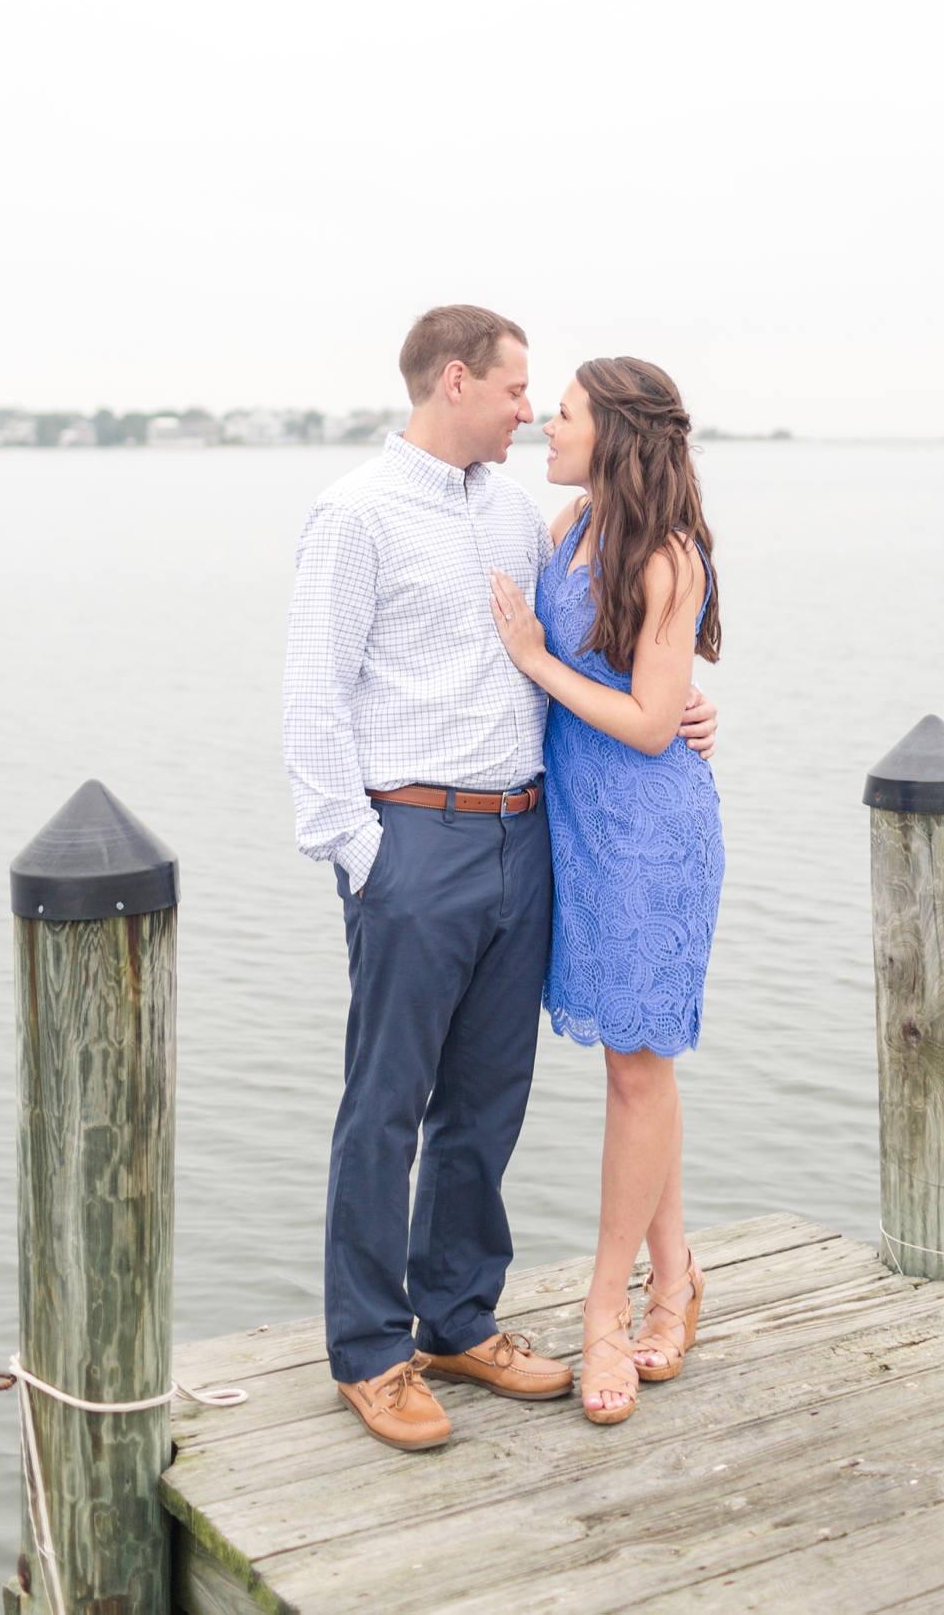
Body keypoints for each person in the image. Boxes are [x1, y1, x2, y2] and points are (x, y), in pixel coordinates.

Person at [283, 306, 717, 1451]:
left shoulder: (524, 514)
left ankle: (459, 1316)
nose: (532, 413)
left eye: (548, 401)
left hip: (531, 838)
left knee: (487, 1100)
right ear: (459, 380)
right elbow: (313, 697)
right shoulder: (354, 516)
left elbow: (595, 653)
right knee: (386, 1106)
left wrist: (686, 713)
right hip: (413, 843)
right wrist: (360, 851)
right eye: (520, 391)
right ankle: (372, 1351)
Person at [489, 357, 724, 1426]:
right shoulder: (566, 529)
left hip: (648, 836)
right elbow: (638, 692)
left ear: (615, 433)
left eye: (567, 413)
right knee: (636, 1067)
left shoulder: (670, 559)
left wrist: (536, 660)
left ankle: (606, 1316)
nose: (545, 421)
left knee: (639, 1068)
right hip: (576, 827)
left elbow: (644, 721)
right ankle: (675, 1276)